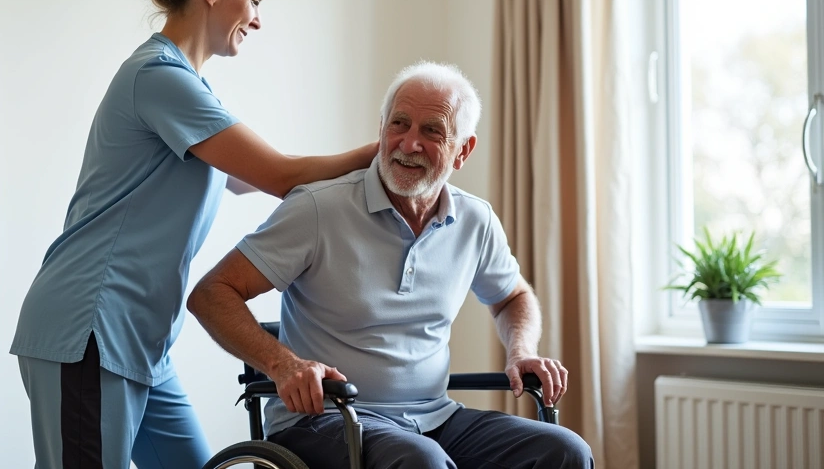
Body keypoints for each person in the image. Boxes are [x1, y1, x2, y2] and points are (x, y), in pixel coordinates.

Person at [10, 0, 376, 469]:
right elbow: (279, 174)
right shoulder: (158, 77)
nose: (257, 18)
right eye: (254, 0)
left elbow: (249, 180)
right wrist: (388, 151)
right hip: (90, 330)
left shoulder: (187, 87)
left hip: (141, 342)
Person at [187, 61, 594, 469]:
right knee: (421, 461)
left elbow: (513, 297)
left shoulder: (475, 220)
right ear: (381, 129)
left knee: (565, 452)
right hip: (324, 419)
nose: (409, 143)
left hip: (436, 417)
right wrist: (282, 364)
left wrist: (521, 351)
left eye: (432, 130)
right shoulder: (318, 208)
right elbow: (211, 294)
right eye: (399, 124)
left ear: (463, 151)